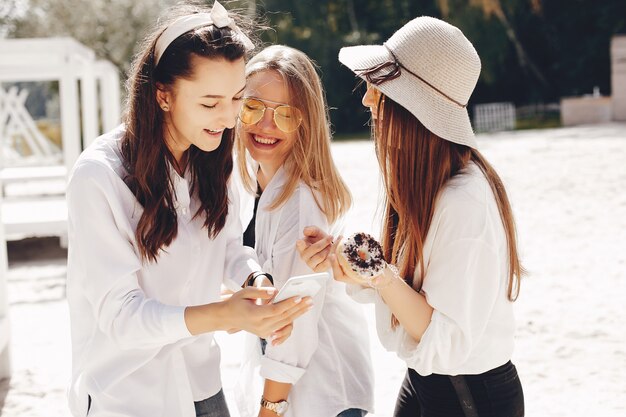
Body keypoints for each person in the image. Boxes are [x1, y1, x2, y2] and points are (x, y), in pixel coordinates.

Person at [65, 3, 312, 417]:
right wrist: (222, 314)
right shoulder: (98, 177)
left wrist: (257, 279)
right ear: (163, 95)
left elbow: (231, 244)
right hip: (128, 396)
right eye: (210, 103)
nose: (230, 117)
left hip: (204, 385)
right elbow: (122, 318)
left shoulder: (211, 155)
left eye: (236, 99)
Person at [297, 16, 525, 417]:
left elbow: (444, 337)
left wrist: (379, 273)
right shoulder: (426, 183)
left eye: (377, 86)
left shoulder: (463, 202)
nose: (367, 99)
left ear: (410, 104)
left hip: (471, 395)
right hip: (430, 381)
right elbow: (411, 292)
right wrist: (350, 265)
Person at [233, 45, 374, 417]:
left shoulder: (300, 201)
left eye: (285, 115)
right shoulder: (260, 185)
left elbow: (295, 322)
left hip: (322, 396)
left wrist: (268, 410)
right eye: (252, 107)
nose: (265, 125)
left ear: (305, 124)